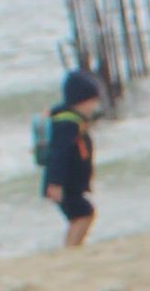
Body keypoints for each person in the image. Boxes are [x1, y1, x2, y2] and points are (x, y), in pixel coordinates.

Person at [40, 65, 105, 246]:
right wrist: (55, 183)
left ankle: (72, 247)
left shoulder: (71, 120)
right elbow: (58, 154)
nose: (95, 105)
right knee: (84, 213)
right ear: (81, 101)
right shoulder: (67, 124)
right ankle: (71, 248)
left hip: (70, 184)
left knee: (80, 215)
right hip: (64, 185)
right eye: (92, 101)